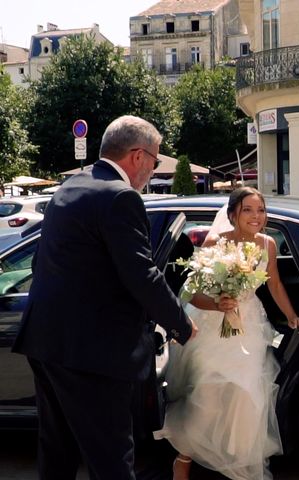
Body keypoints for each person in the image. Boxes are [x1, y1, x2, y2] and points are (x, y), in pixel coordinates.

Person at [11, 115, 197, 479]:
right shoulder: (121, 197)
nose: (154, 171)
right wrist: (182, 323)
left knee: (57, 451)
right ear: (138, 156)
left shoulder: (71, 187)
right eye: (156, 161)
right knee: (111, 458)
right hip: (91, 353)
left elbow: (44, 261)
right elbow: (141, 274)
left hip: (46, 341)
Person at [155, 186, 299, 480]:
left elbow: (274, 284)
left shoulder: (268, 245)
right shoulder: (216, 243)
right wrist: (217, 304)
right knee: (208, 396)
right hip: (213, 328)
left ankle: (239, 463)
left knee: (246, 394)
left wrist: (291, 316)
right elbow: (190, 293)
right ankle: (184, 456)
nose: (256, 216)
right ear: (233, 213)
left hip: (250, 326)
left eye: (260, 210)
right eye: (248, 210)